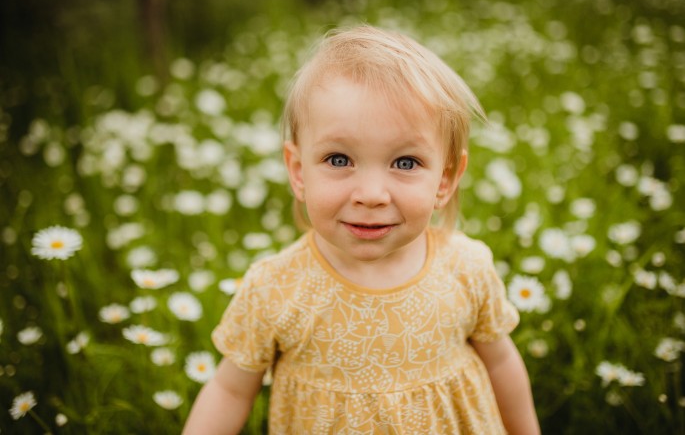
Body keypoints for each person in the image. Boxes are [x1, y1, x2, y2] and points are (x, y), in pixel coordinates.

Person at [183, 25, 540, 434]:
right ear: (298, 172)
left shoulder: (466, 268)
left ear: (445, 179)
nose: (371, 195)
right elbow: (230, 391)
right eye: (339, 159)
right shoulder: (275, 288)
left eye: (405, 163)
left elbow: (501, 362)